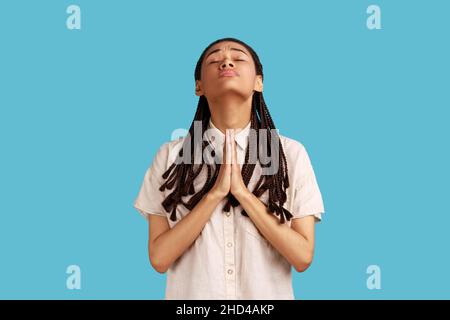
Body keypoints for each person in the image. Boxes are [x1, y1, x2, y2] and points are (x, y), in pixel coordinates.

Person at [133, 37, 325, 299]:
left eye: (238, 57)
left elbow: (302, 257)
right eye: (214, 59)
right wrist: (214, 195)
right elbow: (159, 258)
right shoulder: (171, 156)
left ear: (259, 82)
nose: (226, 61)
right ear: (198, 86)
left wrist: (244, 195)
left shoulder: (290, 154)